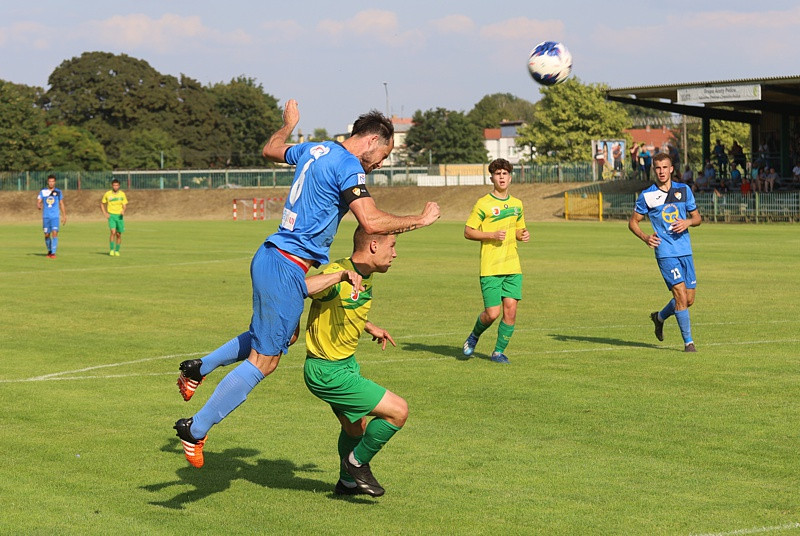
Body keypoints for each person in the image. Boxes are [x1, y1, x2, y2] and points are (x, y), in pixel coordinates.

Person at [173, 100, 440, 468]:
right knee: (265, 361)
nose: (381, 163)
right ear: (373, 140)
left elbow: (269, 149)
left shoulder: (317, 149)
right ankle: (196, 428)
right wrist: (420, 220)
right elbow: (372, 222)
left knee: (284, 336)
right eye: (385, 153)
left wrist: (288, 124)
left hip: (274, 256)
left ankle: (198, 369)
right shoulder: (348, 165)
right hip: (287, 264)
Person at [303, 226, 405, 497]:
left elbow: (345, 308)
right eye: (391, 246)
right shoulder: (340, 273)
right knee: (398, 412)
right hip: (327, 371)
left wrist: (369, 326)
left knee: (355, 426)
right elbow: (303, 287)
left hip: (345, 364)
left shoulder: (365, 275)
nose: (395, 254)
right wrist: (338, 275)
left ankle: (346, 483)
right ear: (373, 245)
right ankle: (356, 463)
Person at [628, 152, 702, 352]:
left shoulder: (684, 190)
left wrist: (687, 221)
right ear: (654, 170)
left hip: (685, 250)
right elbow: (633, 222)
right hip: (665, 252)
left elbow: (697, 218)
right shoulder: (647, 195)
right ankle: (689, 343)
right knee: (679, 294)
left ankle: (659, 317)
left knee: (688, 299)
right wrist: (645, 237)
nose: (661, 171)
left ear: (671, 169)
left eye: (664, 167)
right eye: (657, 168)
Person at [462, 158, 530, 364]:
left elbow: (518, 228)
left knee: (511, 311)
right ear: (491, 177)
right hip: (491, 267)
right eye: (498, 173)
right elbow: (468, 231)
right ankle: (474, 335)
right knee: (492, 314)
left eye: (505, 173)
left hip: (513, 266)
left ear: (510, 177)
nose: (502, 177)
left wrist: (522, 234)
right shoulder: (483, 204)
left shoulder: (517, 204)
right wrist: (491, 234)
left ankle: (498, 352)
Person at [36, 174, 66, 258]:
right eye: (50, 181)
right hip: (46, 216)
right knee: (46, 235)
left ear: (55, 182)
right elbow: (38, 201)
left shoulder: (58, 192)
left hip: (55, 216)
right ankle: (49, 251)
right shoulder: (43, 191)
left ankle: (53, 253)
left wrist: (64, 216)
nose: (51, 183)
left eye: (53, 181)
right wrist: (38, 205)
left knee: (55, 233)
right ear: (47, 182)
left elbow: (61, 203)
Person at [100, 178, 128, 256]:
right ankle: (111, 250)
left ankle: (117, 250)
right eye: (114, 185)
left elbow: (124, 205)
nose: (115, 187)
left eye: (117, 185)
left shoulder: (122, 194)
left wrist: (123, 210)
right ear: (112, 186)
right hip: (111, 215)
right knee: (113, 232)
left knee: (118, 234)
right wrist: (105, 213)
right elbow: (102, 203)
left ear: (119, 186)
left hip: (119, 217)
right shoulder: (108, 194)